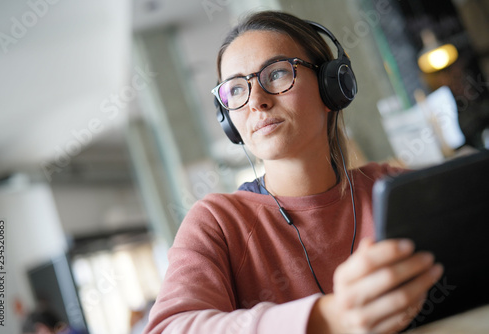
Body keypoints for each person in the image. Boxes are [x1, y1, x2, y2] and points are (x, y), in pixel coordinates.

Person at [143, 10, 443, 334]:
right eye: (236, 90)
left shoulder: (395, 188)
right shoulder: (217, 222)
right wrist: (326, 318)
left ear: (332, 86)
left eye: (275, 74)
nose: (256, 100)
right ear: (228, 119)